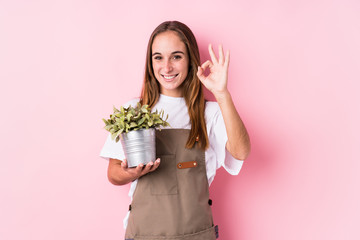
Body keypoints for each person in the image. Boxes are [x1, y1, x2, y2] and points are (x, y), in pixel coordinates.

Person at [100, 20, 250, 240]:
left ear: (190, 61)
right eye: (158, 57)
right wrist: (130, 173)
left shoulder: (211, 113)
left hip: (196, 234)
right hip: (143, 234)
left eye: (176, 56)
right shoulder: (133, 111)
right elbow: (113, 173)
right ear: (150, 63)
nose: (167, 67)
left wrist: (222, 94)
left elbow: (241, 152)